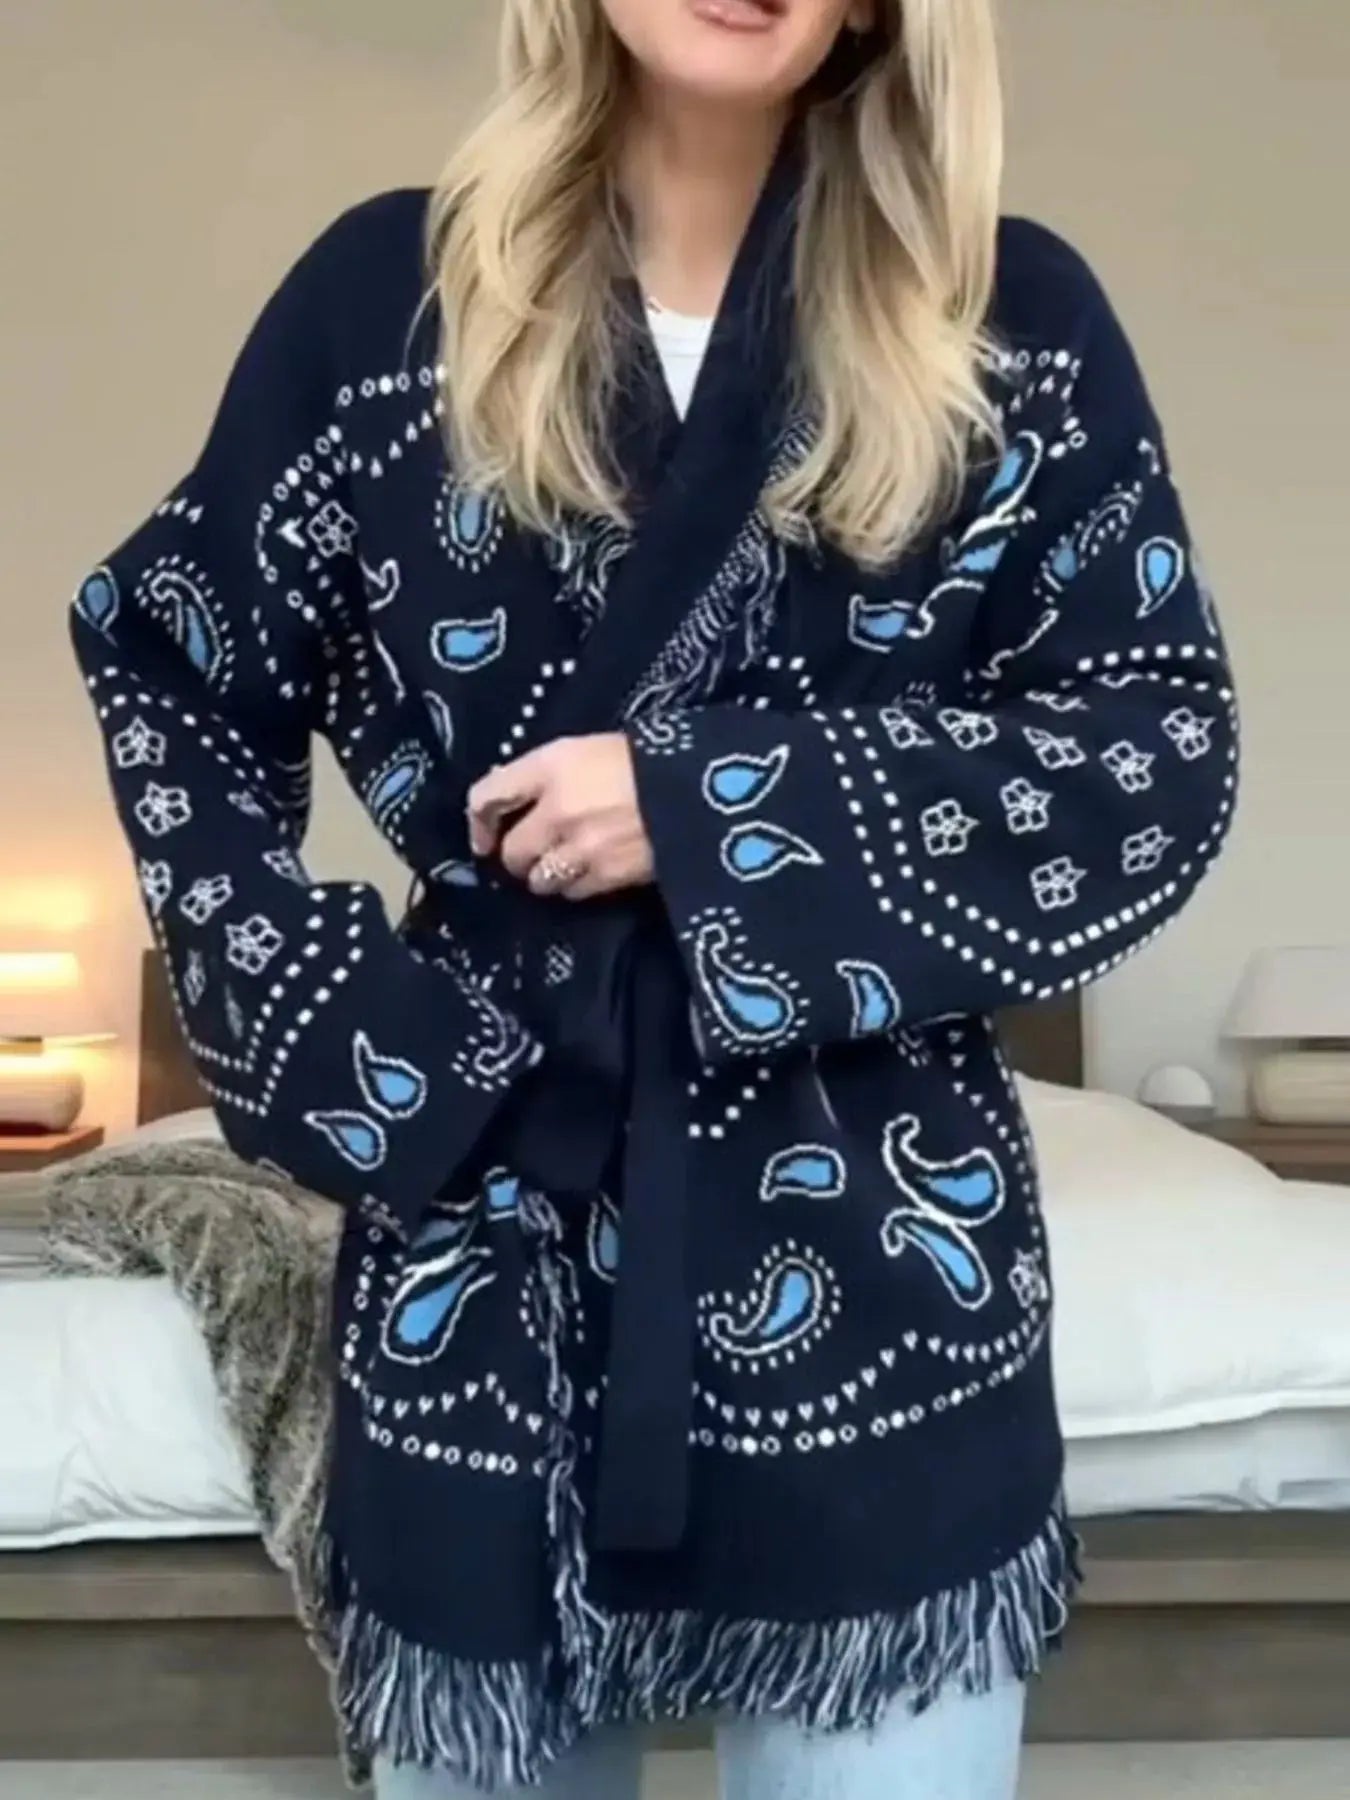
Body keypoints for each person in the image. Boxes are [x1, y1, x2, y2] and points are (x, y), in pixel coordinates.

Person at [71, 2, 1238, 1796]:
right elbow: (171, 659)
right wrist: (362, 1046)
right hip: (490, 1233)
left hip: (880, 1254)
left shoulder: (1006, 318)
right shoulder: (388, 302)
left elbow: (1151, 752)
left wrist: (707, 810)